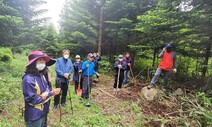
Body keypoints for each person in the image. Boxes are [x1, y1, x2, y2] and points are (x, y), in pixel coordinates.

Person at [22, 50, 60, 127]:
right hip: (34, 115)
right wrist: (50, 93)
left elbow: (46, 87)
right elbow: (31, 100)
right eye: (39, 60)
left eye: (43, 60)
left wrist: (46, 94)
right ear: (33, 63)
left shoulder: (41, 75)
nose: (42, 62)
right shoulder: (28, 79)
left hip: (44, 111)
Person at [42, 58, 56, 127]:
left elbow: (48, 81)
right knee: (42, 109)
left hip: (48, 90)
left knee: (46, 108)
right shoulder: (39, 72)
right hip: (43, 93)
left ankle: (45, 123)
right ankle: (43, 124)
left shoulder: (47, 69)